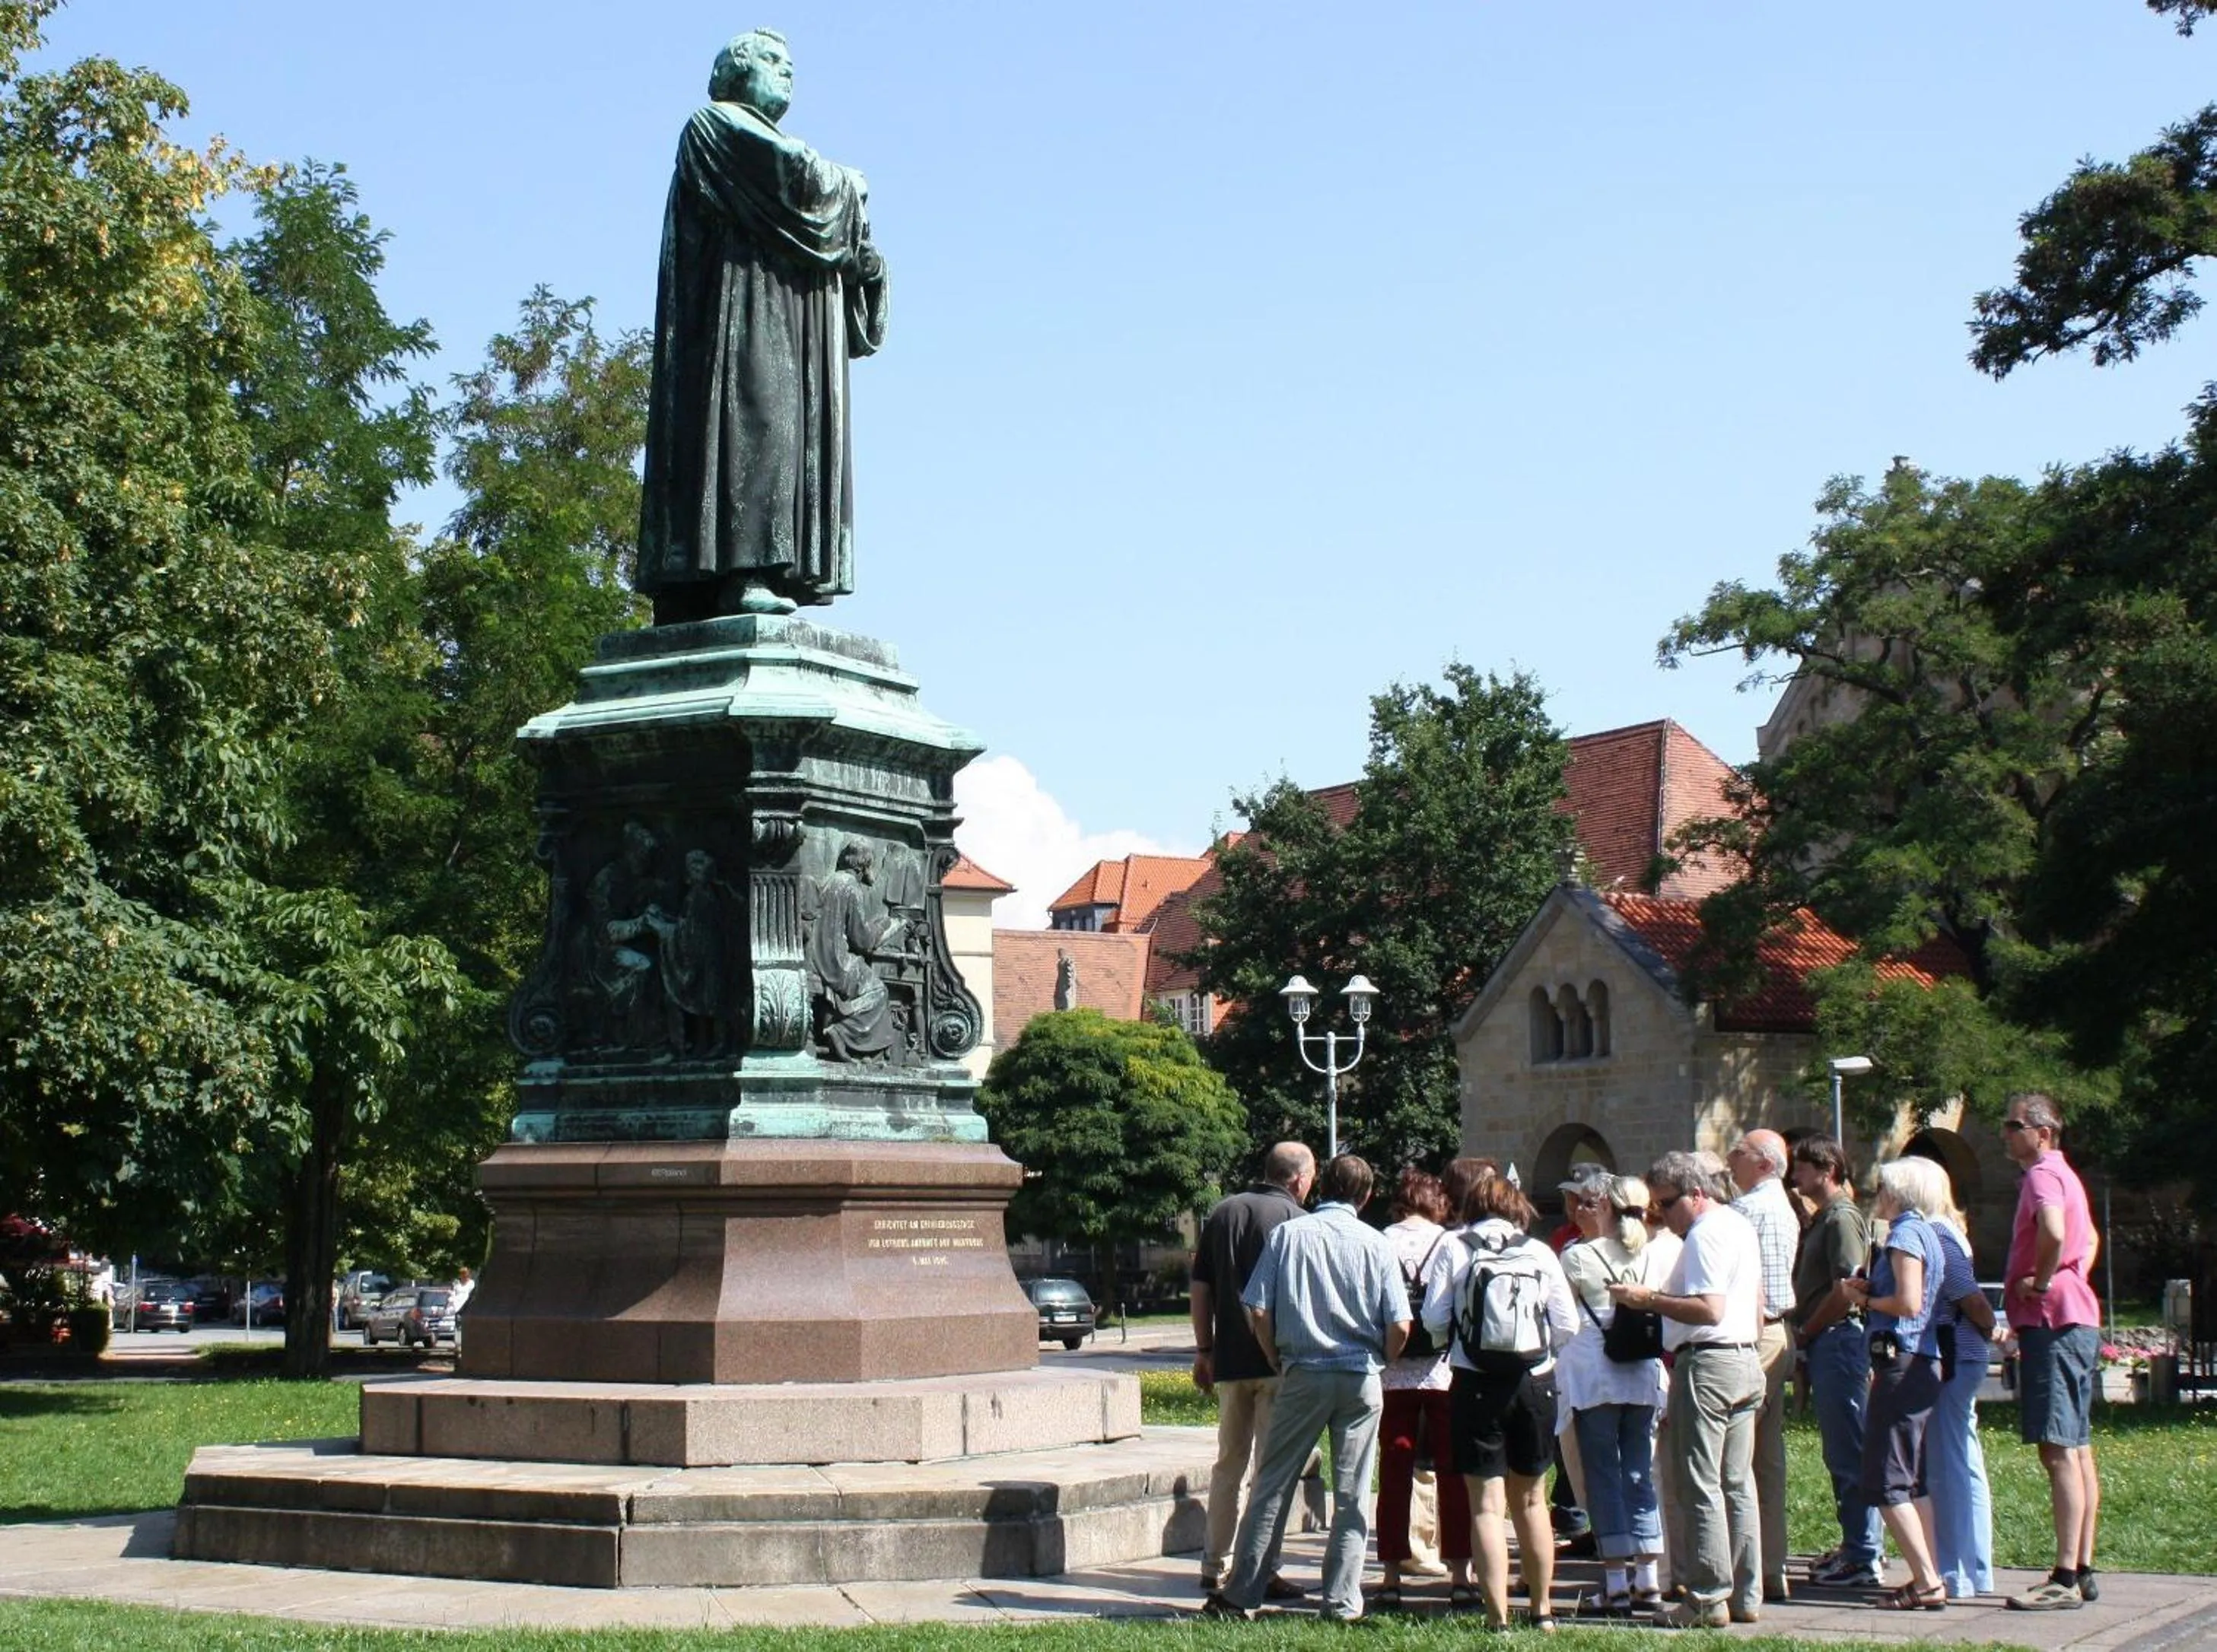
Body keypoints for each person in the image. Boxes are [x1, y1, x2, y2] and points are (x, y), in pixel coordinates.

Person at [637, 28, 890, 622]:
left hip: (793, 328)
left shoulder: (773, 149)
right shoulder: (714, 126)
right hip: (743, 316)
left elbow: (840, 245)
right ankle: (738, 572)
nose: (787, 71)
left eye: (791, 64)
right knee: (754, 424)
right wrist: (850, 187)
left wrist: (865, 260)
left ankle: (767, 570)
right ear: (734, 73)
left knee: (787, 436)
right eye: (773, 60)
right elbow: (797, 181)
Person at [1203, 1155, 1409, 1624]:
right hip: (1360, 1377)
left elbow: (1257, 1307)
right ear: (1367, 1196)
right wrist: (1383, 1359)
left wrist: (1274, 1354)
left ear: (1321, 1187)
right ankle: (1341, 1601)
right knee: (1353, 1494)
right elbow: (1400, 1323)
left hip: (1303, 1371)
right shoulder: (1377, 1243)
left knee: (1272, 1484)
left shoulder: (1289, 1236)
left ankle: (1241, 1594)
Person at [1609, 1150, 1764, 1628]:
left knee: (1700, 1483)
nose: (1661, 1215)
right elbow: (1754, 1302)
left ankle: (1707, 1598)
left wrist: (1648, 1299)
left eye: (1666, 1203)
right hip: (1744, 1357)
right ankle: (1745, 1594)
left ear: (1696, 1194)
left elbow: (1709, 1309)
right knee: (1737, 1483)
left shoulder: (1705, 1234)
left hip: (1710, 1362)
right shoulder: (1739, 1225)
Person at [1424, 1171, 1578, 1631]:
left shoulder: (1455, 1246)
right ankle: (1542, 1610)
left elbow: (1433, 1317)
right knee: (1532, 1501)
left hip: (1475, 1382)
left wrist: (1458, 1338)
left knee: (1486, 1506)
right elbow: (1567, 1324)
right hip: (1533, 1383)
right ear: (1518, 1208)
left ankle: (1497, 1619)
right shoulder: (1539, 1251)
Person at [1189, 1142, 1316, 1603]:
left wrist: (1204, 1349)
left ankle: (1214, 1564)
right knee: (1271, 1471)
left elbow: (1200, 1287)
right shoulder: (1298, 1222)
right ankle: (1261, 1567)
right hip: (1279, 1361)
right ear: (1299, 1180)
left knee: (1228, 1464)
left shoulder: (1223, 1212)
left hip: (1229, 1361)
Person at [1999, 1093, 2104, 1612]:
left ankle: (2063, 1577)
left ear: (2043, 1133)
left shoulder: (2042, 1174)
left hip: (2052, 1323)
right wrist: (2072, 1276)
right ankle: (2081, 1567)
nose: (2005, 1133)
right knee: (2077, 1446)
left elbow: (2056, 1231)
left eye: (2014, 1125)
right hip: (2077, 1317)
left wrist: (2042, 1282)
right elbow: (2092, 1239)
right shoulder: (2067, 1174)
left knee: (2057, 1447)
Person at [1557, 1169, 1678, 1612]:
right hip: (1642, 1371)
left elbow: (1562, 1315)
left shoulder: (1578, 1256)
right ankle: (1648, 1579)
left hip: (1594, 1373)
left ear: (1606, 1206)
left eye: (1590, 1203)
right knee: (1639, 1472)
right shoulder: (1650, 1255)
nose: (1581, 1210)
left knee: (1603, 1474)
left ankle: (1614, 1581)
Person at [1838, 1156, 1956, 1611]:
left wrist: (1863, 1300)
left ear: (1898, 1193)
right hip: (1922, 1360)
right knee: (1912, 1479)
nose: (1878, 1196)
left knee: (1886, 1479)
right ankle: (1930, 1572)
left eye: (1883, 1189)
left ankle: (1926, 1580)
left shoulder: (1905, 1234)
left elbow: (1908, 1302)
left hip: (1901, 1361)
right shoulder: (1929, 1232)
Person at [1786, 1136, 1884, 1588]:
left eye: (1802, 1167)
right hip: (1828, 1341)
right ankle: (1857, 1544)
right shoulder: (1826, 1216)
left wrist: (1808, 1330)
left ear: (1827, 1170)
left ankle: (1864, 1554)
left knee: (1849, 1451)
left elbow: (1848, 1289)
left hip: (1839, 1340)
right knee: (1840, 1450)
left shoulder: (1842, 1218)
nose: (1795, 1175)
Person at [1374, 1168, 1473, 1606]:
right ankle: (1460, 1574)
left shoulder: (1381, 1240)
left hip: (1393, 1370)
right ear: (1437, 1201)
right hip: (1443, 1370)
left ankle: (1391, 1576)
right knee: (1453, 1472)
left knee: (1394, 1472)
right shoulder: (1450, 1243)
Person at [1726, 1128, 1800, 1604]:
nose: (1731, 1157)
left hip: (1754, 1336)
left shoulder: (1747, 1210)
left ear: (1765, 1163)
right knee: (1766, 1461)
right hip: (1779, 1331)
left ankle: (1743, 1574)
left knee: (1734, 1461)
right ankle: (1772, 1567)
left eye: (1740, 1151)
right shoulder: (1784, 1205)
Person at [1926, 1184, 1997, 1598]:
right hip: (1963, 1354)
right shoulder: (1948, 1230)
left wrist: (1990, 1325)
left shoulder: (1936, 1232)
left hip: (1953, 1355)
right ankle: (1975, 1569)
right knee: (1964, 1460)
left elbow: (1967, 1294)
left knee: (1948, 1463)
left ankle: (1957, 1572)